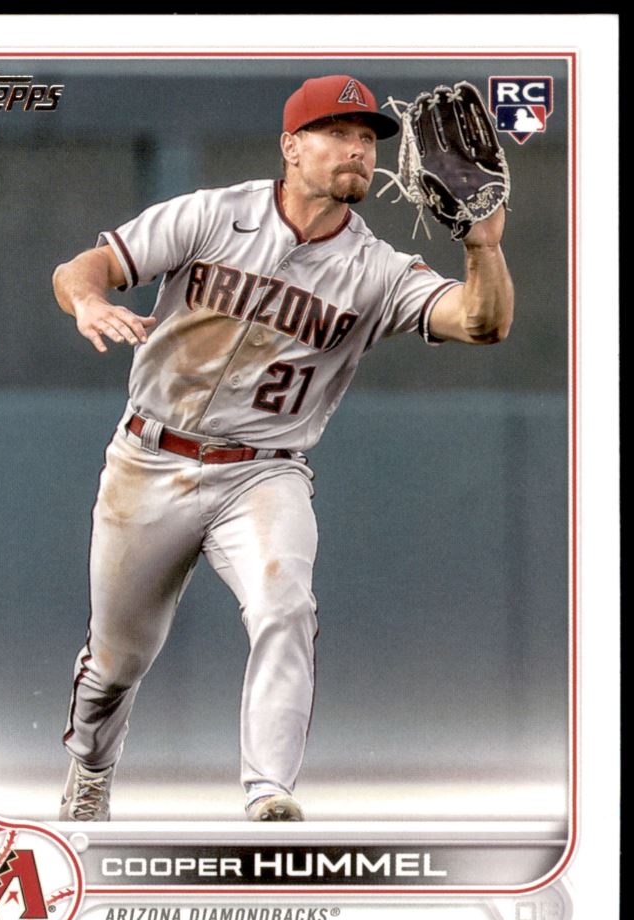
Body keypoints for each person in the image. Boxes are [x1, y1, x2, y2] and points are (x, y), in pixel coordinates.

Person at [52, 74, 514, 823]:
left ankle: (268, 790)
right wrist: (89, 301)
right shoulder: (213, 214)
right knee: (116, 660)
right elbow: (83, 266)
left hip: (263, 474)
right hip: (149, 458)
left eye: (366, 139)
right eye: (337, 134)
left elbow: (481, 322)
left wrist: (483, 245)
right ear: (291, 147)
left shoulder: (375, 268)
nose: (357, 150)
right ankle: (90, 772)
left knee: (285, 605)